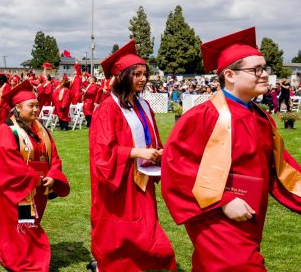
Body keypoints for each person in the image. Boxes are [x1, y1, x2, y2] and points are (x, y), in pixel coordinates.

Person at [162, 27, 301, 271]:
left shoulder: (260, 117)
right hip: (214, 217)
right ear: (230, 75)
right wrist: (224, 201)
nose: (264, 75)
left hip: (248, 218)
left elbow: (282, 170)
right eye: (255, 69)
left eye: (265, 68)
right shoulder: (204, 116)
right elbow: (177, 168)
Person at [88, 40, 176, 272]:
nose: (143, 78)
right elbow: (102, 152)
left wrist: (159, 151)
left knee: (144, 229)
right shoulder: (108, 108)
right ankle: (107, 264)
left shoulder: (143, 105)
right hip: (119, 182)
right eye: (136, 74)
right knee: (119, 231)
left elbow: (151, 139)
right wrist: (137, 152)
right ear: (122, 76)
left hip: (141, 178)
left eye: (145, 74)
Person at [0, 80, 70, 272]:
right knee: (25, 224)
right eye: (31, 106)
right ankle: (26, 260)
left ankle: (2, 248)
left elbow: (55, 157)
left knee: (30, 222)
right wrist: (35, 178)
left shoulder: (42, 130)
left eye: (37, 105)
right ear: (18, 107)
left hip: (40, 187)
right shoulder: (6, 131)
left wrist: (53, 175)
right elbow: (9, 162)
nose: (36, 110)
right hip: (21, 187)